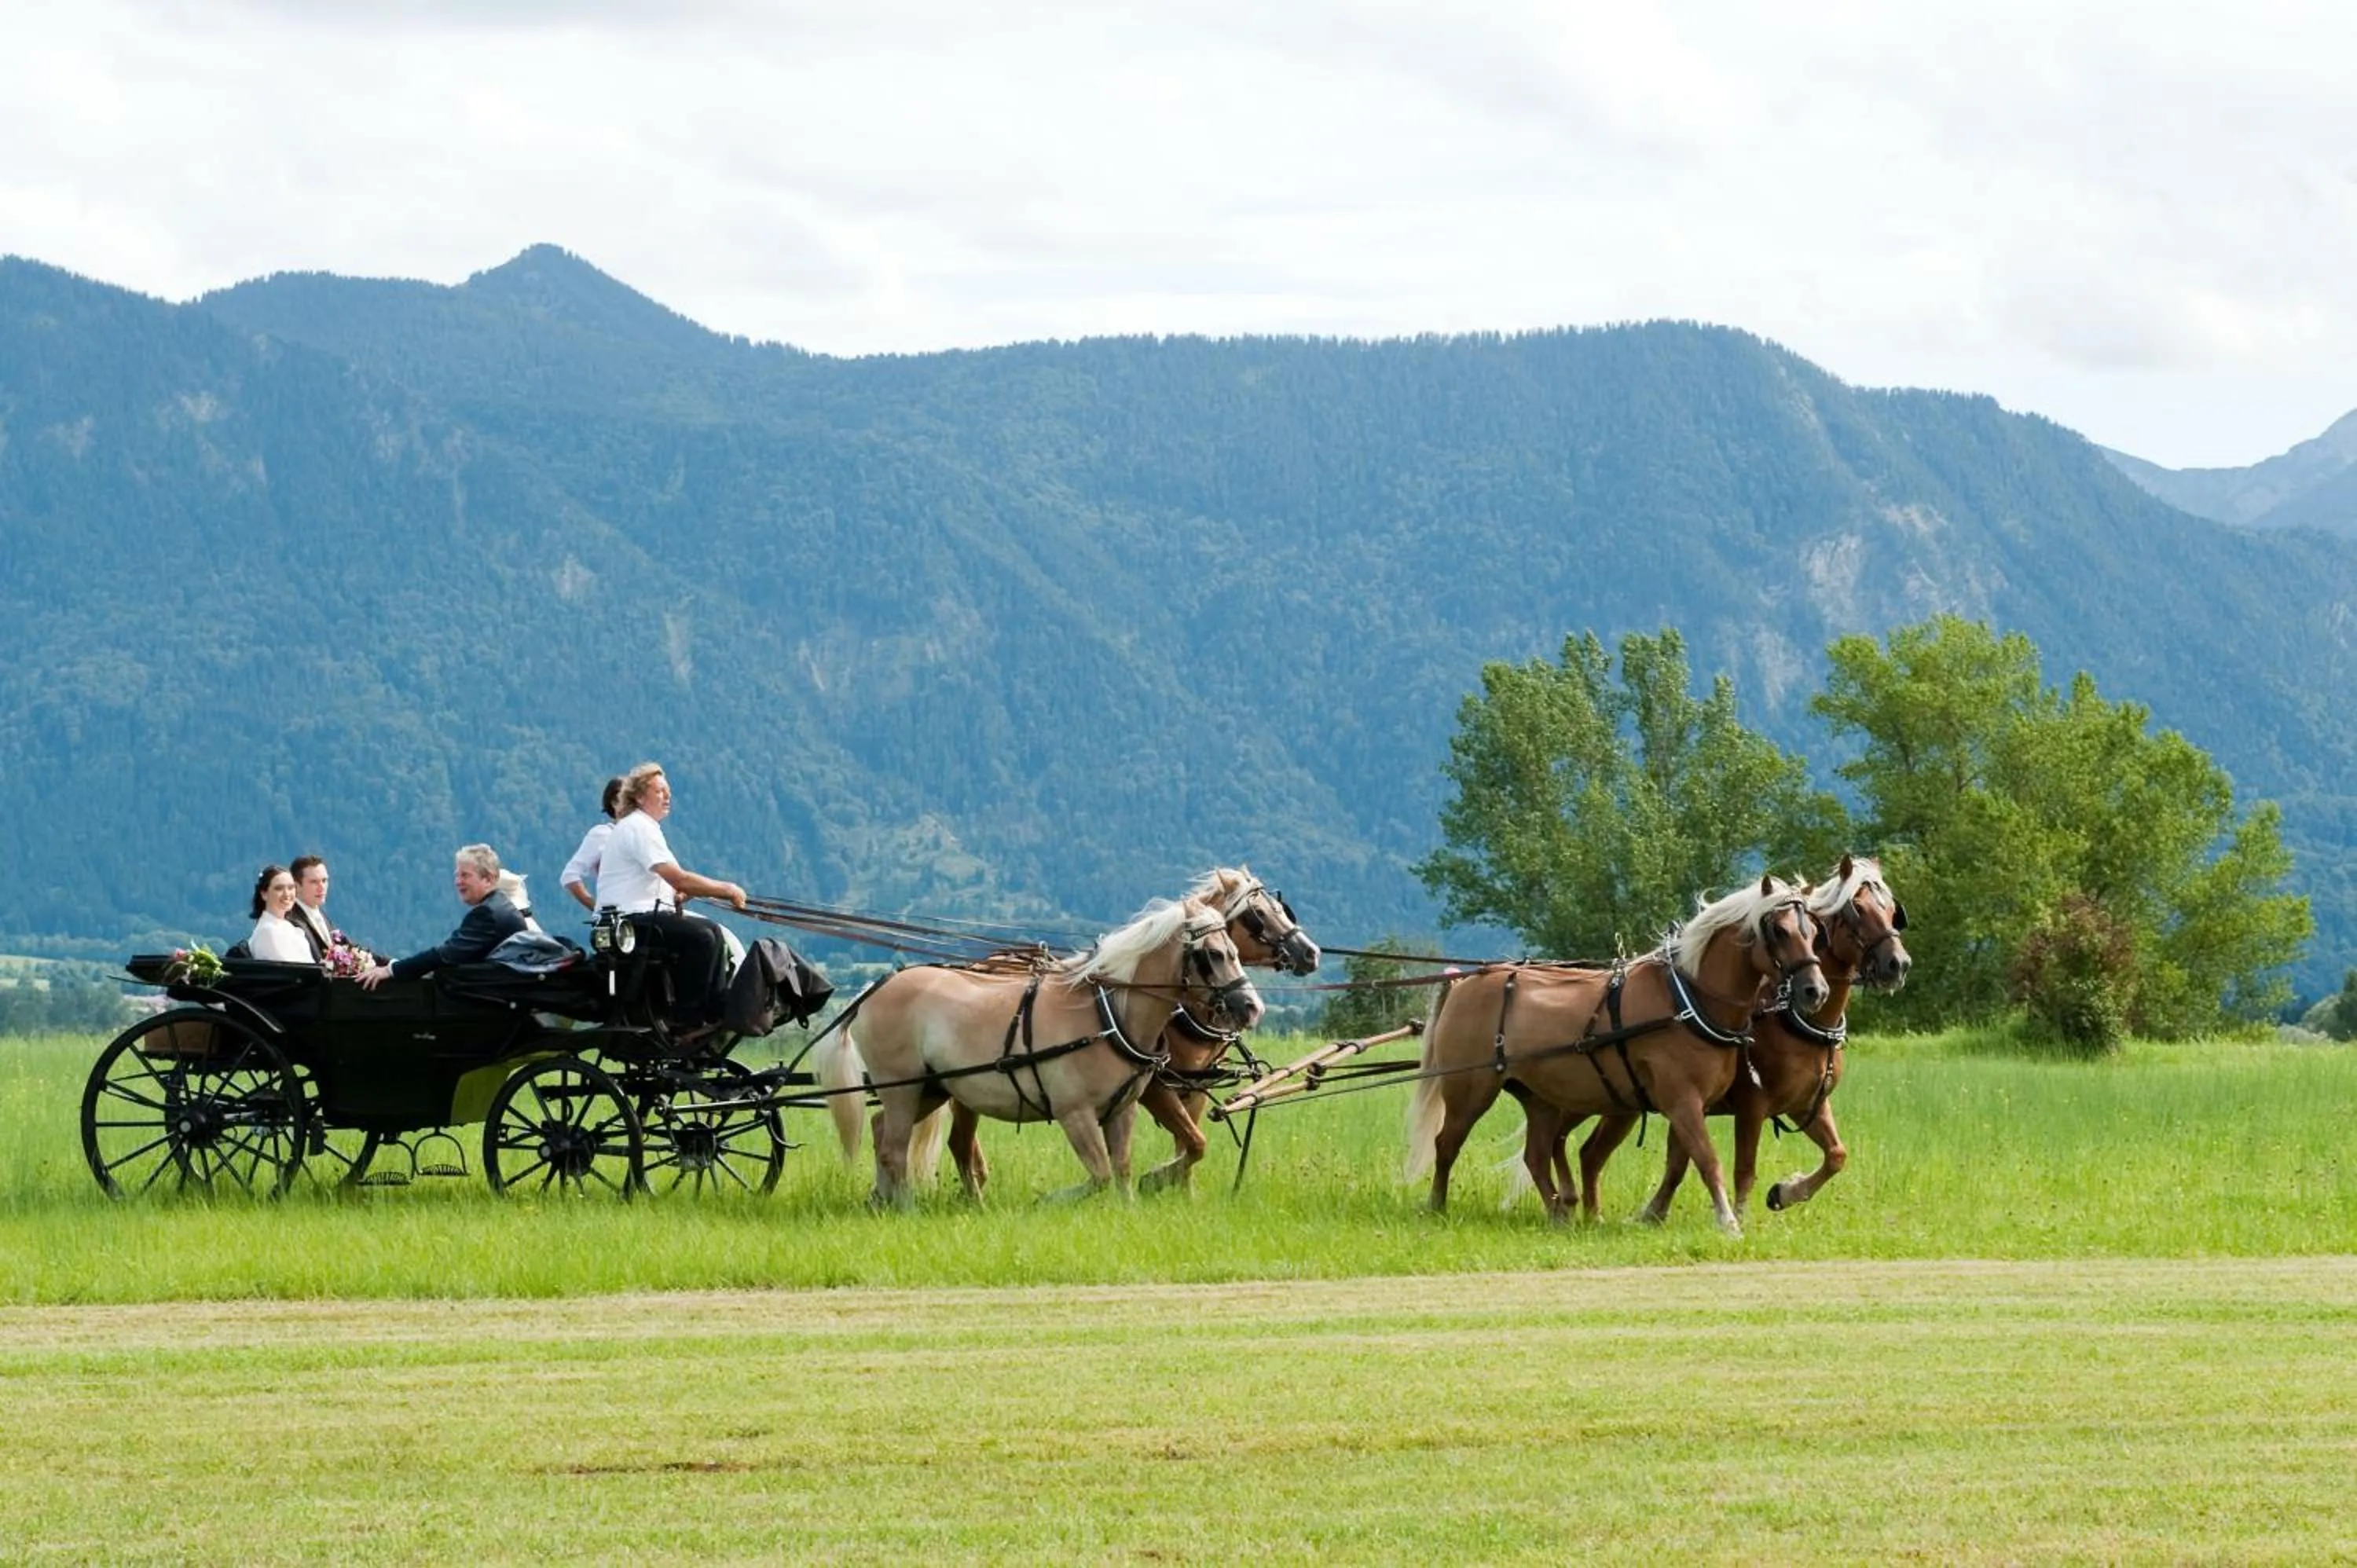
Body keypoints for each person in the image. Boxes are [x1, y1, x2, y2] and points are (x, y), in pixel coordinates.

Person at [600, 761, 747, 1026]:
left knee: (711, 933)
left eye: (667, 791)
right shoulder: (639, 827)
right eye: (659, 791)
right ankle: (688, 1019)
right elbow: (678, 877)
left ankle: (709, 1011)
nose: (667, 796)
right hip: (629, 923)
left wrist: (675, 894)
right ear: (640, 797)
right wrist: (727, 889)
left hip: (634, 917)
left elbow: (663, 881)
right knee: (703, 937)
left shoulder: (641, 826)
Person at [357, 844, 527, 990]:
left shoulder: (488, 914)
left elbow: (445, 955)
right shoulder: (500, 906)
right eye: (457, 875)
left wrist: (391, 970)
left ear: (489, 879)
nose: (458, 881)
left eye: (465, 875)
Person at [560, 776, 627, 912]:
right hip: (620, 916)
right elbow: (570, 876)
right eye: (630, 799)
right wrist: (598, 909)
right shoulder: (604, 834)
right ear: (614, 802)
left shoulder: (646, 834)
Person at [247, 865, 316, 964]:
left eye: (291, 888)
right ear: (264, 894)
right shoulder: (267, 931)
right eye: (279, 888)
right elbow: (289, 970)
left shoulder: (290, 927)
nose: (287, 894)